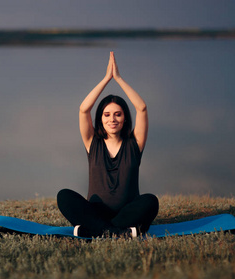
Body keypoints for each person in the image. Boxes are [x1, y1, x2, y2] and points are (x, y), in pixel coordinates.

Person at [57, 52, 159, 238]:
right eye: (107, 114)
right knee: (64, 196)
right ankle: (117, 233)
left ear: (125, 118)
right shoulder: (92, 143)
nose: (112, 119)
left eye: (118, 114)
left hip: (126, 214)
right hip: (95, 213)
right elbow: (83, 109)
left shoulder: (135, 143)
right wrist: (106, 79)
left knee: (151, 201)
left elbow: (142, 108)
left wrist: (118, 79)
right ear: (101, 119)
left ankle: (98, 231)